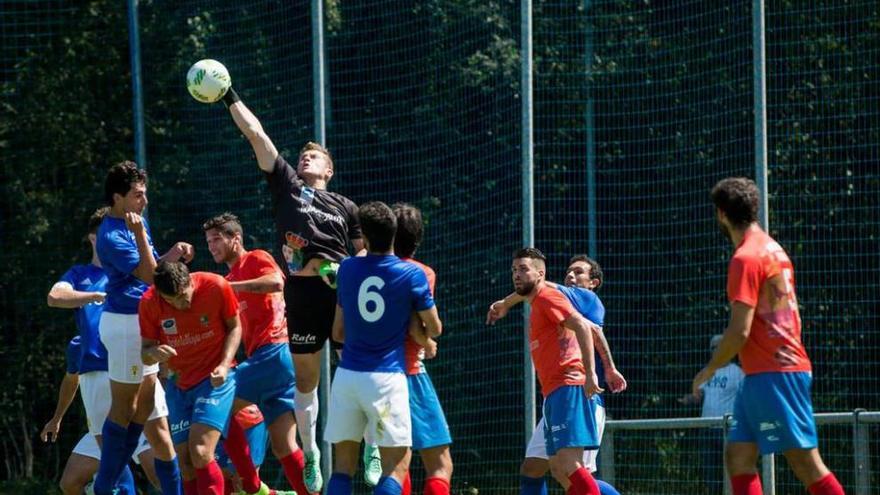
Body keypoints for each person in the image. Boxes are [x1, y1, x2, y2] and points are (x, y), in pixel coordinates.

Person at [221, 85, 365, 492]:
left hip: (340, 295)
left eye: (314, 155)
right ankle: (312, 453)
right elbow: (256, 133)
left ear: (329, 170)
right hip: (301, 297)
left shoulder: (345, 206)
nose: (306, 156)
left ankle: (369, 444)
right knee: (307, 382)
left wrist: (342, 271)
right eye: (304, 154)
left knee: (354, 375)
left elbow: (364, 257)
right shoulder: (286, 183)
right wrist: (229, 94)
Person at [691, 177, 845, 495]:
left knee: (806, 463)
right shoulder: (773, 249)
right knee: (738, 455)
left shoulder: (745, 258)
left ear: (721, 214)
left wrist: (708, 371)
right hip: (762, 373)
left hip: (774, 372)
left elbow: (739, 331)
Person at [325, 201, 442, 495]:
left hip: (347, 376)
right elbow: (435, 328)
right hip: (387, 378)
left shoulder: (348, 269)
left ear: (363, 237)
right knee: (397, 466)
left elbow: (337, 331)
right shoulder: (411, 274)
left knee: (342, 468)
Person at [487, 255, 625, 495]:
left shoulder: (586, 298)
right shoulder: (553, 301)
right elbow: (534, 286)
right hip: (559, 392)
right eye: (568, 271)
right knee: (539, 468)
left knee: (572, 470)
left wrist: (507, 303)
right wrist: (506, 303)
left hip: (581, 394)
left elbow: (542, 287)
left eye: (579, 272)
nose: (571, 276)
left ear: (594, 282)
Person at [94, 161, 189, 495]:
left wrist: (171, 256)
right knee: (125, 409)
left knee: (147, 409)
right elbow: (149, 277)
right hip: (124, 325)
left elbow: (153, 267)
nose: (144, 201)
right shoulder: (111, 234)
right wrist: (140, 237)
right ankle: (105, 486)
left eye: (145, 194)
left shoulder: (137, 222)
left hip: (142, 320)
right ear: (117, 198)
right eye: (137, 195)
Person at [46, 206, 157, 493]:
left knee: (157, 462)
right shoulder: (80, 274)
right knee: (73, 481)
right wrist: (92, 295)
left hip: (134, 370)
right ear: (95, 238)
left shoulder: (131, 272)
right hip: (98, 377)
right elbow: (55, 296)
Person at [204, 212, 313, 495]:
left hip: (274, 352)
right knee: (283, 445)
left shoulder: (255, 258)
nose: (212, 246)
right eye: (208, 241)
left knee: (217, 406)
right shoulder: (227, 278)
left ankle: (252, 486)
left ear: (235, 239)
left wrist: (230, 287)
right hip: (272, 363)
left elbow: (277, 282)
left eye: (217, 239)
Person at [139, 261, 242, 494]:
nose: (182, 304)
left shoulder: (216, 285)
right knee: (185, 463)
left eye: (184, 296)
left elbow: (235, 326)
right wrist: (154, 353)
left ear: (191, 281)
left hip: (215, 380)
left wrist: (225, 365)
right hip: (179, 384)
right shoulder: (148, 302)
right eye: (172, 301)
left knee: (201, 451)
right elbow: (145, 353)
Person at [40, 336, 158, 494]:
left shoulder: (124, 334)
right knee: (70, 483)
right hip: (101, 429)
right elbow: (71, 380)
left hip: (135, 420)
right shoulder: (77, 345)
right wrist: (57, 418)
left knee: (159, 476)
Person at [390, 203, 453, 495]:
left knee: (396, 461)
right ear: (418, 238)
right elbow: (417, 328)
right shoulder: (421, 272)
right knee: (440, 463)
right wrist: (430, 338)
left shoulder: (364, 268)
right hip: (409, 371)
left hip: (371, 372)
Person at [679, 334, 744, 492]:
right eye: (712, 348)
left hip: (727, 431)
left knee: (730, 474)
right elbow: (698, 396)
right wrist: (688, 399)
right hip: (707, 430)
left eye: (718, 347)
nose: (715, 350)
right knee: (711, 476)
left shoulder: (738, 373)